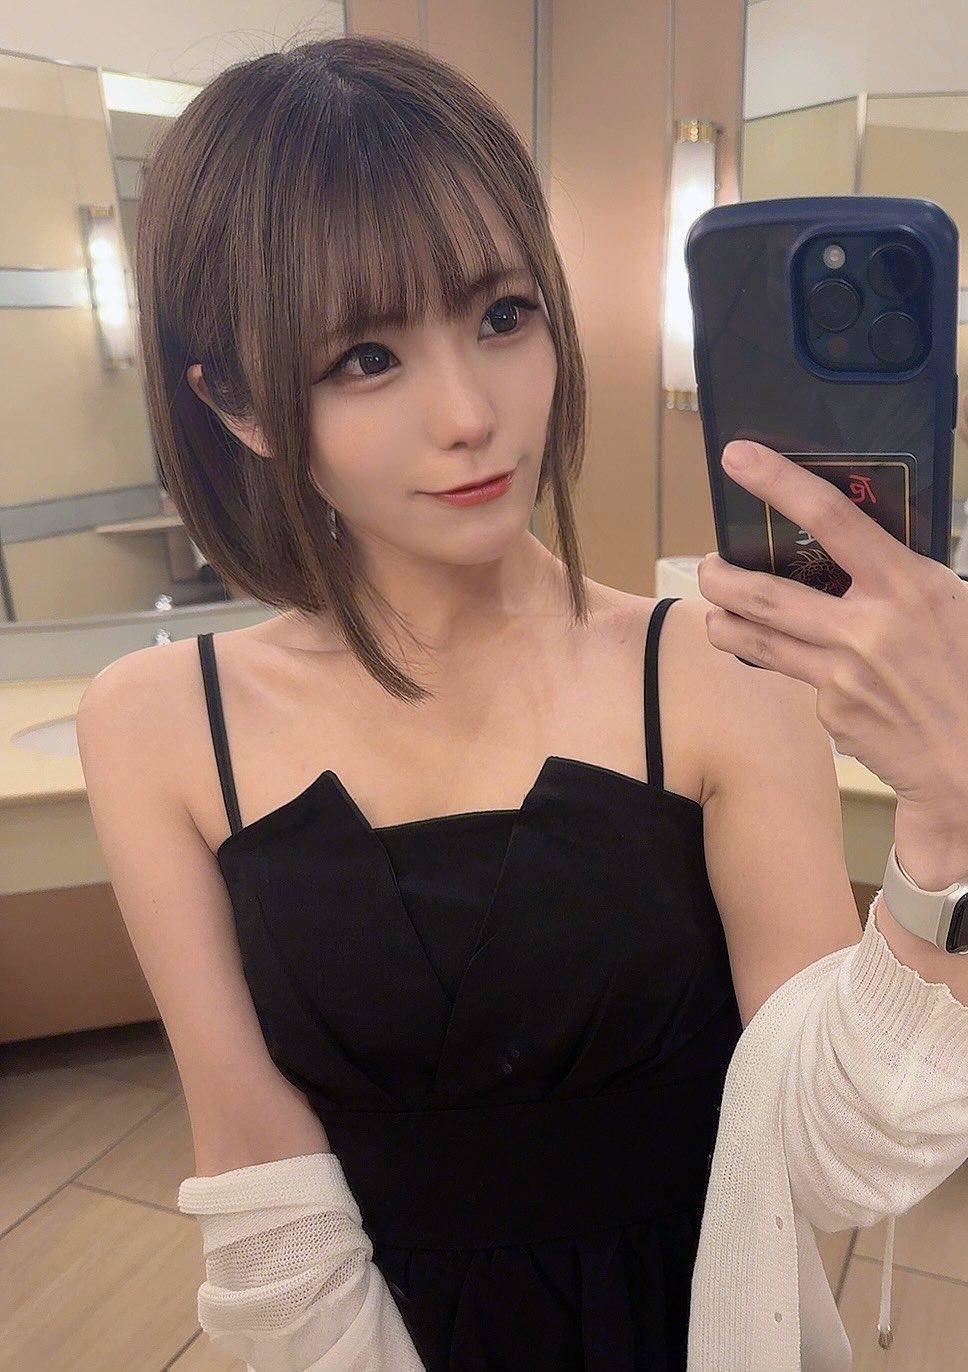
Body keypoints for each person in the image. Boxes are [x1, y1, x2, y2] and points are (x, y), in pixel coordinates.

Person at [76, 34, 968, 1372]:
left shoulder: (712, 669)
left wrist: (951, 816)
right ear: (240, 404)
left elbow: (833, 1160)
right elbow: (257, 1166)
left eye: (502, 315)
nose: (469, 414)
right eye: (363, 358)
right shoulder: (157, 725)